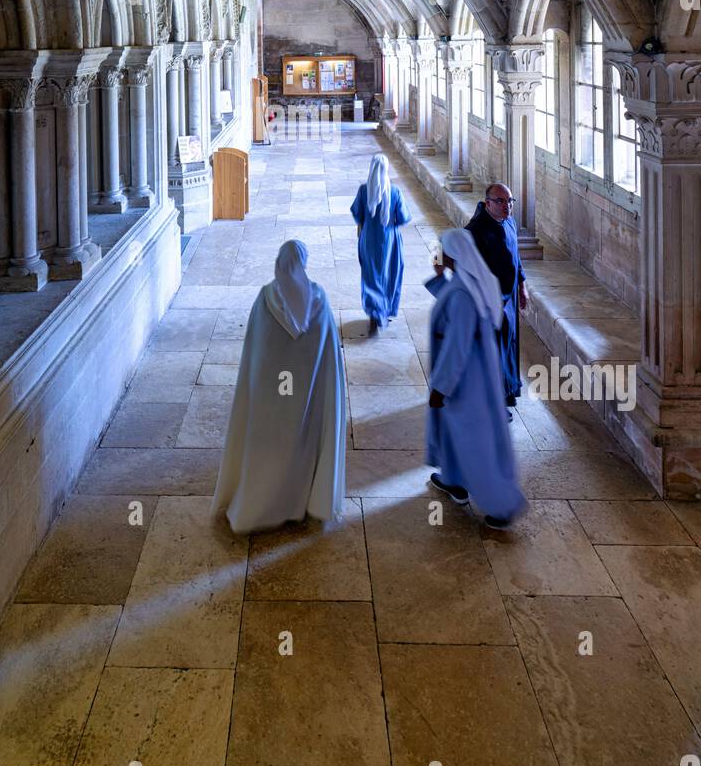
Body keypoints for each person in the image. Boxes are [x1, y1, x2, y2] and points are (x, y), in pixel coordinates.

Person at [211, 240, 347, 535]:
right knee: (302, 448)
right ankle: (298, 505)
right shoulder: (319, 300)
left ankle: (261, 506)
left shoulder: (265, 300)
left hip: (270, 399)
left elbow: (256, 351)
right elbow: (328, 358)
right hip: (306, 398)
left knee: (267, 449)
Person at [425, 228, 527, 529]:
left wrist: (441, 388)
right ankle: (453, 479)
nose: (437, 253)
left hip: (464, 381)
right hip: (478, 373)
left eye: (440, 250)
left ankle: (502, 505)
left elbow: (456, 346)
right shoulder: (472, 283)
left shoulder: (461, 296)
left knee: (474, 440)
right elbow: (454, 299)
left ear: (452, 255)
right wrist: (438, 276)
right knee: (454, 431)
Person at [465, 182, 530, 416]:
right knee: (493, 352)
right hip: (490, 301)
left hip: (509, 298)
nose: (507, 206)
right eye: (501, 201)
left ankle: (506, 393)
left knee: (508, 347)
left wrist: (522, 286)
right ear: (487, 203)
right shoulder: (476, 230)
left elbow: (516, 256)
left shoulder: (508, 222)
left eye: (510, 201)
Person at [350, 153, 411, 334]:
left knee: (371, 276)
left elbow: (357, 214)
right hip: (390, 240)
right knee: (390, 274)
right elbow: (403, 218)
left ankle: (374, 312)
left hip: (369, 239)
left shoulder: (363, 190)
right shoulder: (395, 192)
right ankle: (385, 310)